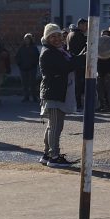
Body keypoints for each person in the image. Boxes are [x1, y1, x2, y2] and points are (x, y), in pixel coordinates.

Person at [38, 23, 77, 168]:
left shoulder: (60, 51)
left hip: (57, 92)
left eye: (58, 36)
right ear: (47, 38)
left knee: (52, 126)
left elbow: (70, 61)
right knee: (55, 126)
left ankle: (47, 154)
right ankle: (54, 157)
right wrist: (83, 58)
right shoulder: (49, 52)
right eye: (52, 36)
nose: (56, 39)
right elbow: (66, 66)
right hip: (53, 94)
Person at [67, 18, 88, 109]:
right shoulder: (79, 35)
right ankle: (78, 104)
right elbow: (81, 50)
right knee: (79, 85)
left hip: (72, 62)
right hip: (79, 63)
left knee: (75, 84)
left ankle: (76, 103)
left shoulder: (70, 34)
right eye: (85, 25)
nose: (87, 27)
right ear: (80, 25)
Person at [15, 33, 40, 103]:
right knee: (24, 84)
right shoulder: (22, 48)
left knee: (32, 83)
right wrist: (19, 64)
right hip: (23, 68)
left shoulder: (34, 48)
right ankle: (26, 97)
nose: (26, 40)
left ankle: (34, 97)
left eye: (27, 39)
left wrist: (33, 64)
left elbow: (37, 57)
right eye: (25, 39)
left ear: (30, 40)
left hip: (32, 68)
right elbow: (17, 57)